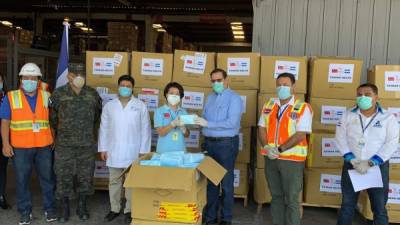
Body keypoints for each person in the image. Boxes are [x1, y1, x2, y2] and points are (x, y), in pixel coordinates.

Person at [0, 63, 56, 225]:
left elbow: (52, 119)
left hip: (44, 145)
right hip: (21, 147)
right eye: (26, 77)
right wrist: (5, 143)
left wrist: (54, 137)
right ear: (21, 79)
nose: (30, 80)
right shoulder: (11, 97)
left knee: (47, 178)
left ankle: (50, 208)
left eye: (33, 78)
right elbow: (5, 122)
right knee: (22, 180)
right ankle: (25, 211)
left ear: (39, 80)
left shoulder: (47, 96)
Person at [336, 83, 399, 225]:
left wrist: (371, 162)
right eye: (359, 94)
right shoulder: (347, 115)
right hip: (352, 166)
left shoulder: (388, 118)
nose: (362, 97)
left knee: (379, 209)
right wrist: (351, 159)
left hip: (377, 168)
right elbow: (340, 138)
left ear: (376, 97)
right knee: (347, 206)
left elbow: (392, 143)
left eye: (367, 94)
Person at [258, 73, 313, 225]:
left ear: (293, 87)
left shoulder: (302, 107)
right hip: (271, 158)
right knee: (276, 196)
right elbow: (261, 128)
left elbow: (301, 134)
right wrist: (267, 147)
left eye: (286, 84)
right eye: (279, 84)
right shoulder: (269, 105)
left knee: (291, 199)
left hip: (292, 160)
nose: (282, 87)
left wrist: (280, 149)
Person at [49, 64, 101, 222]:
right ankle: (64, 207)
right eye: (74, 73)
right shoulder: (58, 94)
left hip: (86, 144)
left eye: (81, 73)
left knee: (85, 177)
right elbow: (52, 118)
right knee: (63, 176)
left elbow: (97, 118)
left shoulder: (92, 94)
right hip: (65, 145)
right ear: (68, 75)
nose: (78, 76)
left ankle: (82, 205)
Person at [98, 75, 151, 224]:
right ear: (118, 86)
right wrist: (103, 148)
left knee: (130, 183)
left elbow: (145, 129)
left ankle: (129, 210)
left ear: (132, 87)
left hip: (133, 151)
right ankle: (114, 208)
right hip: (113, 150)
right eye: (122, 85)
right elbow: (104, 128)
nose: (125, 88)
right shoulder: (110, 105)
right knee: (114, 182)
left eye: (128, 85)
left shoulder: (140, 105)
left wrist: (143, 151)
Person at [194, 68, 243, 225]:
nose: (216, 83)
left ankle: (226, 218)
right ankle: (210, 217)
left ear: (227, 80)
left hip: (226, 144)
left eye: (219, 80)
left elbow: (232, 123)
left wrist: (208, 123)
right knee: (211, 182)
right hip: (209, 143)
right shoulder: (210, 98)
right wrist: (197, 120)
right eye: (213, 81)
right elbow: (204, 118)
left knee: (226, 184)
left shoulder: (234, 99)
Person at [154, 82, 190, 153]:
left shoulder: (183, 112)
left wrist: (183, 128)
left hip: (180, 150)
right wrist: (172, 124)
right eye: (171, 93)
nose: (174, 96)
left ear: (180, 96)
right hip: (164, 151)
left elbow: (187, 135)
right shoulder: (159, 111)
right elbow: (161, 133)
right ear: (166, 94)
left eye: (177, 94)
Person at [0, 73, 10, 210]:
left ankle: (1, 196)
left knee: (2, 168)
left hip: (4, 138)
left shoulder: (8, 98)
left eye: (0, 80)